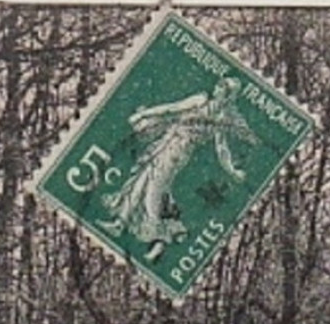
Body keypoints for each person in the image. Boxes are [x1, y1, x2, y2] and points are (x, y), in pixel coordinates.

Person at [97, 75, 259, 262]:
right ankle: (121, 222)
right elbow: (172, 108)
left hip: (177, 152)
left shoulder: (221, 117)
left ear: (228, 95)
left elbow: (221, 148)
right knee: (140, 180)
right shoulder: (201, 100)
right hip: (166, 142)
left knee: (153, 192)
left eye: (223, 87)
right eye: (219, 84)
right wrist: (146, 114)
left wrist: (231, 170)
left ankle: (158, 240)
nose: (217, 87)